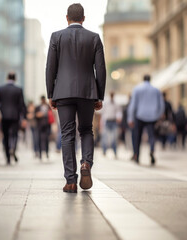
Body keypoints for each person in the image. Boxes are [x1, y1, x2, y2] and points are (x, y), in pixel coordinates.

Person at [46, 3, 106, 193]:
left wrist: (51, 94)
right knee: (87, 130)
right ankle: (86, 163)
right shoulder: (94, 38)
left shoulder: (56, 37)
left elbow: (50, 68)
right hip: (88, 92)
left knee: (67, 134)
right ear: (84, 18)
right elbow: (101, 69)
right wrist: (99, 95)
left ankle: (71, 181)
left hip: (63, 92)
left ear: (67, 18)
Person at [128, 75, 164, 165]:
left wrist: (130, 118)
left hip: (139, 115)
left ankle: (137, 155)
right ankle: (152, 149)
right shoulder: (156, 90)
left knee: (137, 136)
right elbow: (161, 105)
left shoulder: (137, 89)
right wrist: (158, 115)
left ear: (143, 79)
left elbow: (133, 105)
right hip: (152, 116)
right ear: (150, 79)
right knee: (151, 135)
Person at [0, 73, 27, 165]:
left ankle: (8, 157)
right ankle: (13, 147)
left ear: (7, 78)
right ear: (15, 79)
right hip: (15, 116)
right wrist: (24, 117)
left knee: (5, 136)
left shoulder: (0, 89)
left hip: (3, 116)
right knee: (14, 134)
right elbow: (22, 105)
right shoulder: (18, 89)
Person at [100, 92, 122, 158]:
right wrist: (101, 123)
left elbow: (119, 112)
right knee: (105, 138)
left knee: (114, 138)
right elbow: (103, 114)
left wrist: (119, 118)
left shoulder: (116, 104)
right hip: (107, 122)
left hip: (114, 122)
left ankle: (115, 152)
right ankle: (104, 151)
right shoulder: (106, 103)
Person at [35, 96, 51, 160]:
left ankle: (47, 152)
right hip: (40, 125)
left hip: (47, 125)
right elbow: (35, 115)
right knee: (39, 139)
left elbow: (51, 115)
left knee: (47, 139)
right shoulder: (38, 107)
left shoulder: (48, 106)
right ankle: (40, 153)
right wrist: (38, 115)